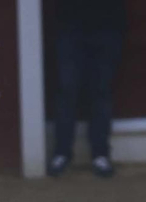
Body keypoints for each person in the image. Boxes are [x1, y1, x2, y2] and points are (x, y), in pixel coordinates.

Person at [47, 0, 125, 178]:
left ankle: (99, 154)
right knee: (69, 90)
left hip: (106, 25)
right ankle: (63, 153)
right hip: (72, 25)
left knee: (98, 91)